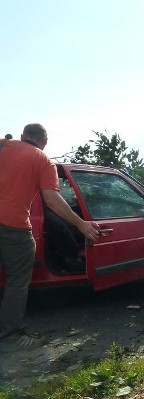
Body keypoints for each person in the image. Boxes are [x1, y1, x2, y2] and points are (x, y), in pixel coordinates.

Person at [0, 124, 100, 351]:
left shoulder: (3, 144)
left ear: (22, 136)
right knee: (17, 281)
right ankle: (10, 338)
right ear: (44, 141)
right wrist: (81, 224)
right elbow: (52, 200)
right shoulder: (42, 160)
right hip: (14, 227)